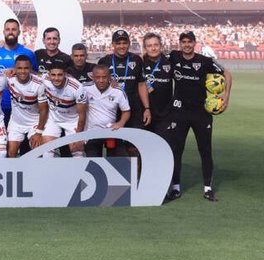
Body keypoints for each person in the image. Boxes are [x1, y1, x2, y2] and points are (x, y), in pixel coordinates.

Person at [166, 31, 233, 202]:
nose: (186, 45)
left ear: (194, 43)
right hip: (179, 111)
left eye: (189, 42)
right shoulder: (173, 57)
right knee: (176, 150)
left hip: (201, 113)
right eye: (183, 42)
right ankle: (175, 188)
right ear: (179, 43)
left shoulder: (205, 61)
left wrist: (225, 96)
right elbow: (152, 57)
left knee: (205, 150)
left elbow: (227, 74)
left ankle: (208, 189)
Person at [97, 29, 151, 158]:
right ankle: (114, 177)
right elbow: (98, 85)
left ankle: (136, 177)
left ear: (128, 43)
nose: (121, 46)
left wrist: (147, 108)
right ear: (113, 44)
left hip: (134, 111)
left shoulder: (136, 60)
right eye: (118, 43)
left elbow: (142, 84)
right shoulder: (105, 61)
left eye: (124, 42)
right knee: (112, 148)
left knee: (134, 148)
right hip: (112, 111)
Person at [0, 19, 38, 133]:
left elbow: (36, 75)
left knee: (25, 148)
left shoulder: (28, 53)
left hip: (23, 106)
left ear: (19, 32)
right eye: (8, 29)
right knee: (1, 145)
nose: (11, 32)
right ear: (3, 32)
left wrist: (18, 71)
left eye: (14, 29)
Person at [40, 60, 87, 158]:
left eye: (60, 75)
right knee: (46, 152)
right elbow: (31, 74)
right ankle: (48, 173)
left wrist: (79, 136)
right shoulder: (45, 80)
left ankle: (78, 173)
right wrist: (12, 70)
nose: (56, 78)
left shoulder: (77, 88)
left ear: (65, 74)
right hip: (54, 120)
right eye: (53, 75)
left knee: (77, 153)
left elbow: (82, 114)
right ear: (48, 74)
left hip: (73, 121)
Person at [83, 65, 131, 157]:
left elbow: (126, 111)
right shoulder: (84, 88)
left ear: (109, 77)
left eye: (104, 77)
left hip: (111, 131)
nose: (101, 80)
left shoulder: (118, 92)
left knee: (119, 161)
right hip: (92, 132)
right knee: (93, 164)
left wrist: (120, 123)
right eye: (98, 77)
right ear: (93, 77)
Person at [5, 55, 48, 158]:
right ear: (15, 69)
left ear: (30, 69)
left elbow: (43, 110)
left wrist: (39, 132)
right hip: (16, 122)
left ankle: (36, 174)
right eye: (19, 68)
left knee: (37, 151)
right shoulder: (9, 80)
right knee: (11, 152)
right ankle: (14, 173)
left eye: (26, 68)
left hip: (33, 123)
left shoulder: (39, 84)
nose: (23, 71)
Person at [141, 33, 175, 147]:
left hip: (165, 114)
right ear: (145, 48)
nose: (153, 48)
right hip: (144, 113)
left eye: (156, 44)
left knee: (164, 148)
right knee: (144, 149)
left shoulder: (170, 61)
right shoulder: (139, 62)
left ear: (161, 46)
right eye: (149, 46)